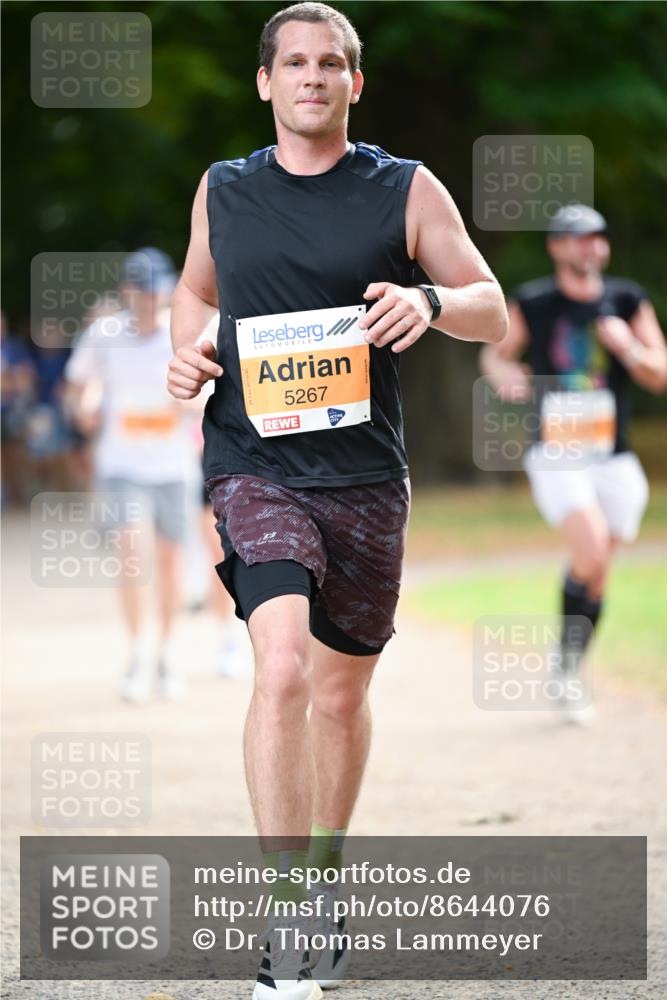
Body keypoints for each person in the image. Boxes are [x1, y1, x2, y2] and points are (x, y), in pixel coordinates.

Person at [168, 4, 507, 996]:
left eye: (331, 64)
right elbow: (196, 290)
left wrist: (432, 302)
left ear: (353, 83)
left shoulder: (403, 188)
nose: (312, 77)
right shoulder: (223, 190)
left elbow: (490, 305)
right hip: (252, 462)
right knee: (279, 668)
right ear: (265, 83)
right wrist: (187, 347)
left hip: (363, 478)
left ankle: (322, 873)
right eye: (294, 63)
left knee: (339, 690)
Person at [480, 204, 667, 723]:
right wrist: (503, 374)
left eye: (597, 238)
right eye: (578, 238)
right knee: (590, 547)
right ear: (557, 247)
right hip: (557, 451)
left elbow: (659, 372)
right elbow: (495, 354)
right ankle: (567, 671)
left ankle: (569, 663)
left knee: (597, 568)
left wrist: (628, 348)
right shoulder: (536, 302)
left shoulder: (627, 300)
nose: (590, 246)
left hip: (614, 455)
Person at [65, 248, 191, 703]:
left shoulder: (185, 332)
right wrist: (84, 409)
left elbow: (206, 397)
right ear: (126, 292)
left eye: (157, 288)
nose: (149, 297)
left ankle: (168, 654)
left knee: (172, 563)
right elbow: (79, 385)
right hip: (122, 466)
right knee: (132, 551)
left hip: (173, 467)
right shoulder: (104, 334)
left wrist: (186, 403)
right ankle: (137, 653)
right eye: (141, 289)